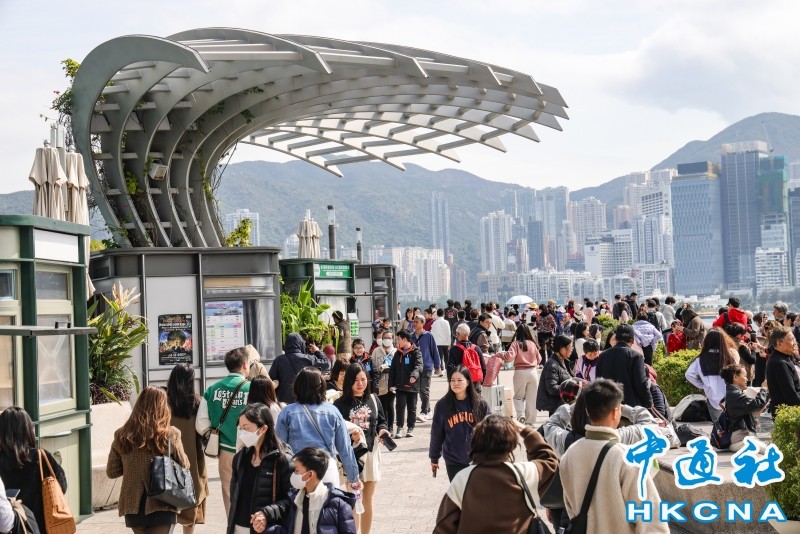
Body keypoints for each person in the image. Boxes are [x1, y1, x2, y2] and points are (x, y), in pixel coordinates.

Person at [560, 380, 669, 533]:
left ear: (587, 411)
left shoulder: (569, 455)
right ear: (616, 412)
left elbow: (571, 508)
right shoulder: (627, 458)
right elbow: (652, 520)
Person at [433, 414, 558, 534]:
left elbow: (444, 526)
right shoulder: (524, 473)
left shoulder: (463, 478)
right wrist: (526, 430)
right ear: (511, 444)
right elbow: (549, 459)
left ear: (475, 441)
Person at [108, 387, 190, 534]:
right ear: (163, 407)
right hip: (163, 502)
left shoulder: (121, 435)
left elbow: (112, 471)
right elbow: (184, 465)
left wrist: (131, 463)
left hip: (133, 505)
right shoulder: (170, 434)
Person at [275, 367, 362, 493]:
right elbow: (345, 448)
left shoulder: (287, 412)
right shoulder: (332, 411)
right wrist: (353, 477)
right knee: (328, 504)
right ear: (321, 386)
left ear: (297, 386)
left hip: (299, 470)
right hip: (326, 468)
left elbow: (280, 448)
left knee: (298, 504)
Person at [333, 363, 391, 534]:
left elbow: (381, 421)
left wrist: (383, 430)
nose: (360, 383)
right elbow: (336, 430)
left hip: (371, 453)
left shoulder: (373, 399)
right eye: (356, 380)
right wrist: (351, 436)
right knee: (354, 498)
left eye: (363, 379)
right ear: (349, 381)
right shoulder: (339, 404)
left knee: (368, 500)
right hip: (351, 455)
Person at [197, 346, 250, 515]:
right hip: (249, 448)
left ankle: (232, 524)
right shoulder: (252, 388)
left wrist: (213, 436)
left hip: (225, 449)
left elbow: (201, 424)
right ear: (244, 364)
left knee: (228, 491)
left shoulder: (212, 390)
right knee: (250, 490)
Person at [0, 407, 68, 533]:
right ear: (28, 429)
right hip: (43, 525)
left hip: (13, 527)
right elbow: (61, 487)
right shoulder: (41, 457)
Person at [228, 403, 293, 534]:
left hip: (266, 529)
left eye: (246, 428)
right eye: (240, 428)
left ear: (263, 429)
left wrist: (266, 513)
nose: (242, 433)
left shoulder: (283, 460)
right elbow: (234, 494)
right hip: (238, 526)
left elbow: (292, 499)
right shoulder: (240, 458)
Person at [167, 364, 209, 534]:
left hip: (168, 459)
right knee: (191, 501)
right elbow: (204, 430)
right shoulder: (197, 403)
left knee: (167, 502)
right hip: (192, 461)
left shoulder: (164, 402)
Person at [429, 366, 490, 481]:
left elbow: (490, 431)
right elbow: (437, 433)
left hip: (478, 459)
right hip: (453, 460)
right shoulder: (443, 405)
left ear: (468, 382)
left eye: (459, 380)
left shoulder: (480, 403)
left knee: (475, 490)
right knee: (459, 491)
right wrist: (434, 457)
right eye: (452, 380)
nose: (455, 383)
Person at [278, 447, 356, 534]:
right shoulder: (293, 499)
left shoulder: (338, 505)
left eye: (296, 471)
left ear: (310, 474)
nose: (293, 474)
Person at [685, 328, 739, 422]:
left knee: (718, 426)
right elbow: (737, 375)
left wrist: (702, 385)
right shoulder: (728, 357)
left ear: (707, 341)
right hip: (729, 396)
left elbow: (688, 374)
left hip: (712, 397)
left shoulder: (700, 358)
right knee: (732, 425)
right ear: (722, 341)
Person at [595, 324, 653, 410]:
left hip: (608, 407)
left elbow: (598, 381)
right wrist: (649, 402)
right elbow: (641, 383)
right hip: (630, 408)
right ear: (632, 340)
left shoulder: (603, 356)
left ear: (616, 338)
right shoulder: (636, 356)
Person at [496, 323, 541, 423]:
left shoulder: (515, 344)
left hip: (520, 372)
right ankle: (530, 421)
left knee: (518, 397)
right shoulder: (533, 344)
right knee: (532, 398)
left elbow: (508, 358)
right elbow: (539, 359)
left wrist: (500, 355)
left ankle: (521, 415)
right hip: (533, 372)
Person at [721, 364, 769, 453]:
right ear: (735, 377)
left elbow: (755, 410)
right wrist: (763, 389)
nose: (747, 379)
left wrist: (752, 420)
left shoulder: (732, 392)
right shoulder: (735, 394)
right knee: (770, 452)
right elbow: (758, 404)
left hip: (742, 439)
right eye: (745, 376)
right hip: (740, 441)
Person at [269, 333, 329, 404]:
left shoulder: (278, 360)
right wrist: (317, 351)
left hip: (283, 402)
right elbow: (326, 363)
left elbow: (271, 380)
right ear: (301, 344)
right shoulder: (308, 359)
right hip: (304, 401)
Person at [389, 329, 423, 438]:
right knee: (400, 407)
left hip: (412, 386)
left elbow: (419, 365)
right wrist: (391, 385)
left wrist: (414, 375)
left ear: (405, 339)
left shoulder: (416, 352)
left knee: (412, 408)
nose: (397, 341)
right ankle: (399, 427)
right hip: (400, 386)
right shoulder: (397, 353)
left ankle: (410, 427)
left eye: (399, 339)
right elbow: (392, 370)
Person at [410, 314, 442, 422]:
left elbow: (434, 351)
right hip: (415, 368)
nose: (414, 324)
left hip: (427, 366)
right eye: (414, 322)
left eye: (417, 322)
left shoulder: (429, 335)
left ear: (423, 323)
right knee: (419, 390)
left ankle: (424, 412)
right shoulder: (411, 337)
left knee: (424, 389)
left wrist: (438, 366)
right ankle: (428, 411)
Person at [536, 334, 575, 416]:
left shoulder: (564, 361)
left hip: (563, 406)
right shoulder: (552, 365)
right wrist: (572, 387)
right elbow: (552, 388)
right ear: (562, 349)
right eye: (571, 347)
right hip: (557, 409)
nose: (572, 349)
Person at [765, 325, 800, 418]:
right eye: (792, 340)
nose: (795, 343)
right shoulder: (780, 363)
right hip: (788, 415)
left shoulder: (784, 357)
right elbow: (791, 394)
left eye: (794, 339)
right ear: (779, 343)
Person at [370, 330, 396, 436]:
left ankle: (390, 427)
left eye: (389, 338)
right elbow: (373, 366)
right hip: (380, 383)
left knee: (390, 404)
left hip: (391, 382)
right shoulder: (376, 351)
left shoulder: (395, 351)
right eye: (385, 338)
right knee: (381, 405)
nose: (387, 340)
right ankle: (383, 427)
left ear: (392, 339)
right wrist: (380, 369)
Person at [724, 322, 757, 386]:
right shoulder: (741, 346)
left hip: (732, 376)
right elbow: (751, 360)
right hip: (743, 376)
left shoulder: (727, 343)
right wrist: (753, 350)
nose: (745, 335)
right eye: (743, 334)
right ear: (739, 335)